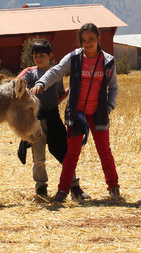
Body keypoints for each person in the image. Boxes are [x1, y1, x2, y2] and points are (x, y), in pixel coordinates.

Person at [32, 23, 120, 203]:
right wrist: (41, 83)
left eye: (92, 40)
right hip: (77, 114)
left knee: (104, 152)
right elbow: (56, 71)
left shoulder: (107, 61)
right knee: (71, 154)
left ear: (98, 40)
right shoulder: (74, 58)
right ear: (80, 42)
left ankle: (114, 188)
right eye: (84, 40)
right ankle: (63, 192)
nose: (88, 44)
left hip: (99, 113)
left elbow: (113, 87)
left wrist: (109, 106)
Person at [17, 39, 88, 199]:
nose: (38, 58)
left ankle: (74, 186)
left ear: (50, 56)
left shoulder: (56, 74)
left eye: (42, 55)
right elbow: (17, 85)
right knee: (38, 157)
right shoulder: (29, 73)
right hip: (35, 120)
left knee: (65, 154)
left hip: (53, 118)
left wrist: (71, 89)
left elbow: (58, 97)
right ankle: (41, 188)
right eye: (35, 56)